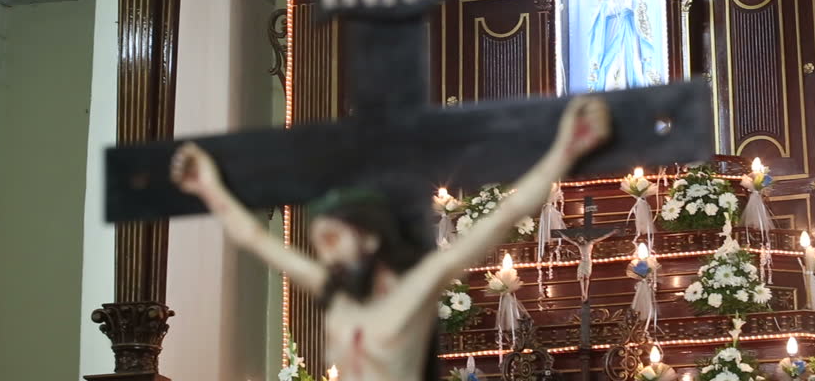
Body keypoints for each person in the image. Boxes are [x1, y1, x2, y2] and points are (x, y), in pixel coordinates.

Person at [169, 96, 611, 381]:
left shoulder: (415, 289)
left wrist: (566, 149)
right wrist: (207, 186)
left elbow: (505, 216)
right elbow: (253, 240)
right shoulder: (334, 292)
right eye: (319, 244)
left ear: (369, 239)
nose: (324, 255)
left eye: (332, 240)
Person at [587, 0, 658, 92]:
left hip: (630, 30)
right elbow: (598, 16)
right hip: (611, 31)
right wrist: (609, 7)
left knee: (632, 63)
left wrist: (629, 7)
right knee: (611, 67)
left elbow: (643, 11)